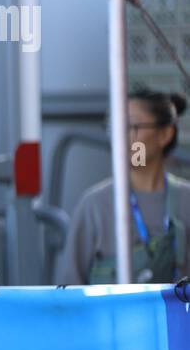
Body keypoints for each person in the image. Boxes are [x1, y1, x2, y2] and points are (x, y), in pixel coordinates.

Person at [57, 88, 190, 284]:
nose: (121, 137)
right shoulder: (94, 205)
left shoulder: (186, 199)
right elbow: (68, 293)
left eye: (132, 126)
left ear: (165, 134)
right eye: (114, 127)